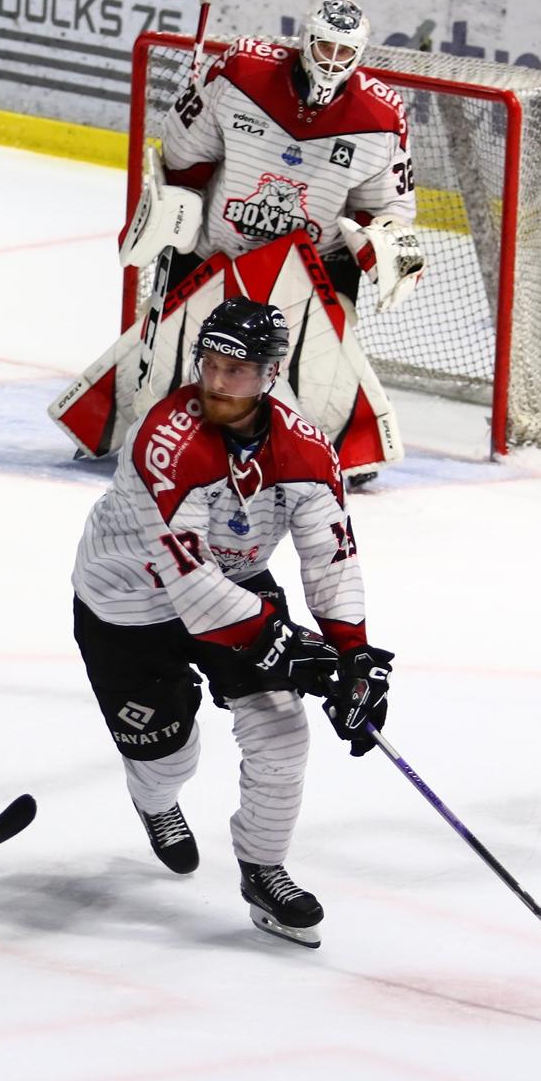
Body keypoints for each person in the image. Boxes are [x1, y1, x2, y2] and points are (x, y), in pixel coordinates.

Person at [69, 297, 393, 947]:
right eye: (210, 364)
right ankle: (155, 804)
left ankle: (264, 871)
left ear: (271, 374)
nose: (217, 381)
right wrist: (285, 645)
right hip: (128, 599)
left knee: (282, 730)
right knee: (168, 758)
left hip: (235, 581)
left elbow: (329, 552)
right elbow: (187, 582)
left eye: (236, 370)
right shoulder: (167, 441)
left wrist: (351, 652)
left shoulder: (303, 448)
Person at [156, 0, 424, 486]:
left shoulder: (380, 115)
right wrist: (172, 211)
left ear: (359, 54)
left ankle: (332, 444)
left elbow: (388, 209)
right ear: (305, 41)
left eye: (344, 53)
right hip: (219, 254)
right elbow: (182, 159)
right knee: (183, 369)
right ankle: (175, 430)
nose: (331, 61)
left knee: (317, 370)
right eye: (324, 47)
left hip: (312, 267)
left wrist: (383, 244)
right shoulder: (241, 71)